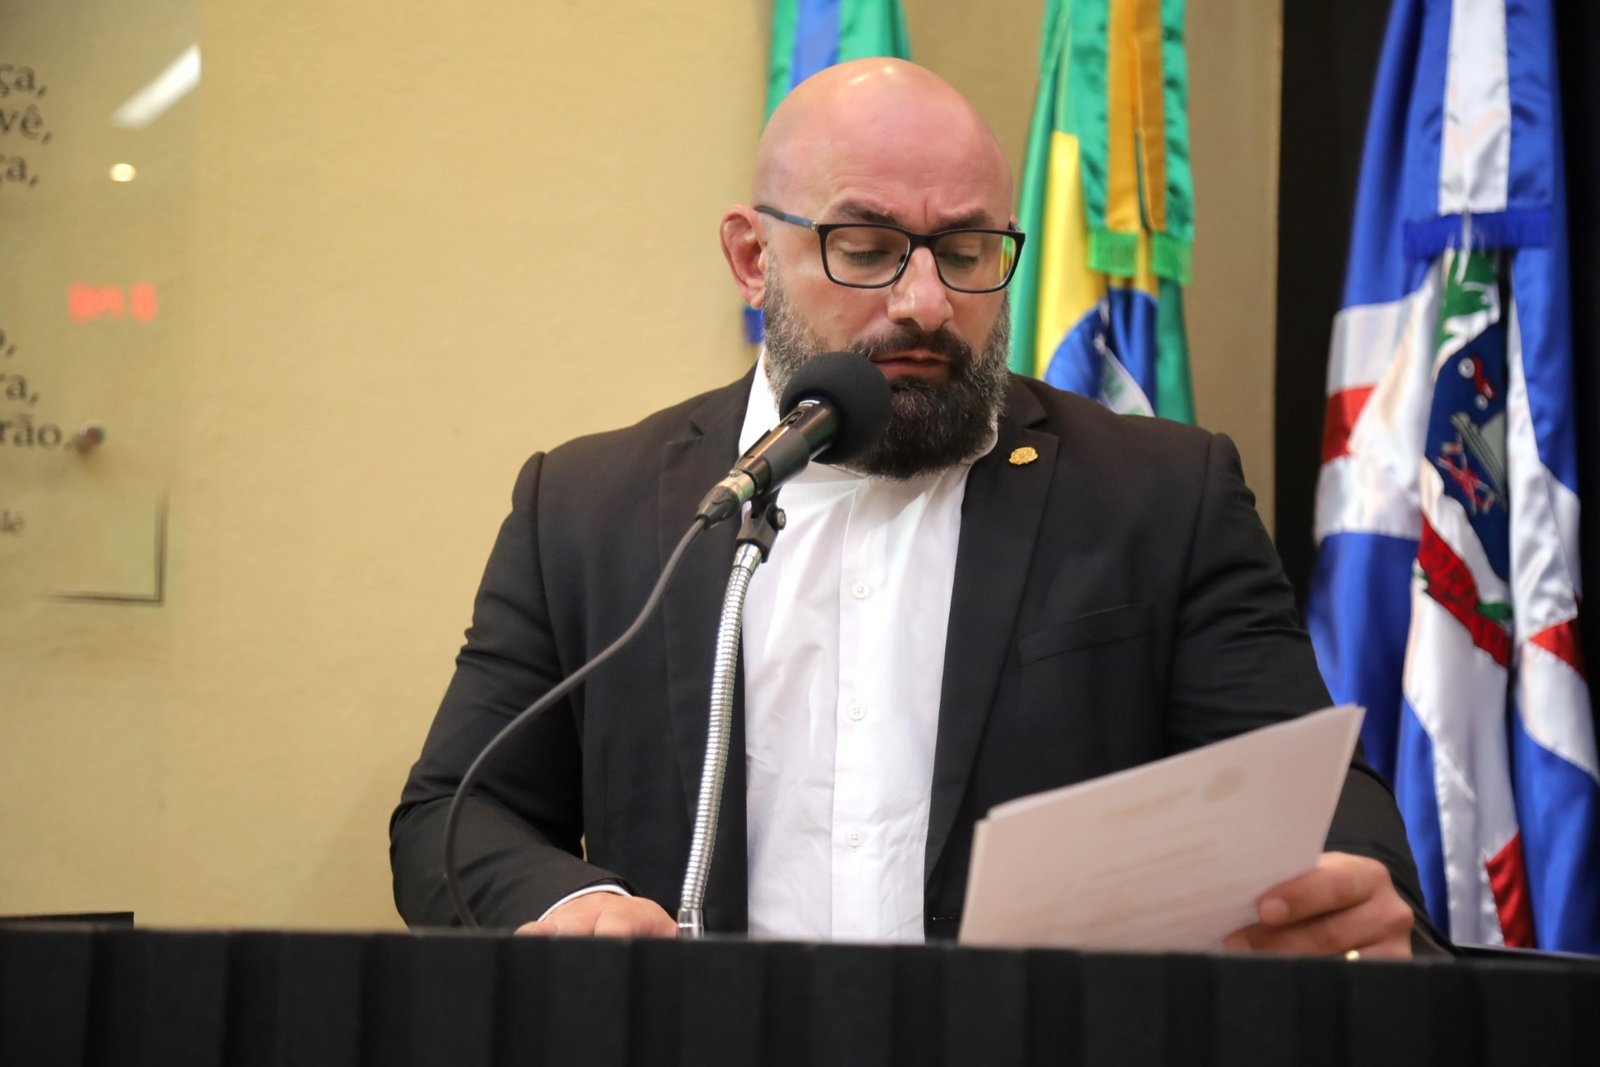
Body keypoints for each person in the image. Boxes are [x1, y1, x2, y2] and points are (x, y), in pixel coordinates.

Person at [391, 59, 1433, 957]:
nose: (925, 302)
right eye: (865, 244)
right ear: (753, 258)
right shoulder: (588, 507)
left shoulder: (1161, 494)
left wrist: (1343, 887)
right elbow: (456, 812)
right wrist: (572, 906)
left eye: (966, 250)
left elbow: (1314, 796)